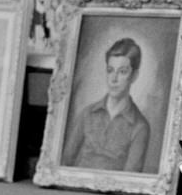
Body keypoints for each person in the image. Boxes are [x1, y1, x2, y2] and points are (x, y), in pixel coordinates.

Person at [62, 36, 152, 172]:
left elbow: (131, 177)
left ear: (134, 76)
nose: (113, 79)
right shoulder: (87, 114)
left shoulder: (140, 127)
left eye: (122, 72)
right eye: (110, 70)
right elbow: (65, 162)